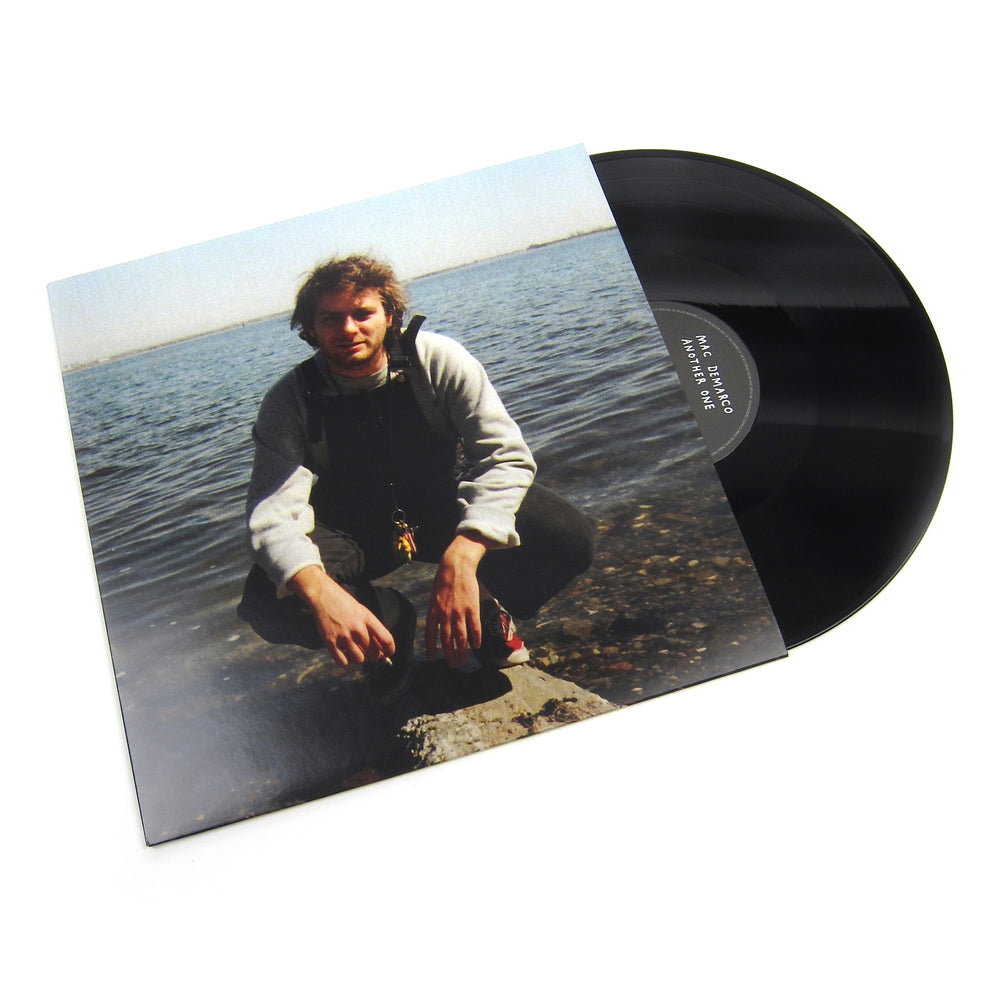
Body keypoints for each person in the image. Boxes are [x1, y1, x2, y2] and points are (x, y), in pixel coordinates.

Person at [239, 254, 593, 682]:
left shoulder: (438, 360)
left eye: (362, 313)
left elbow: (506, 457)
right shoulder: (288, 401)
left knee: (567, 537)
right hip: (355, 522)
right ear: (311, 329)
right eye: (330, 318)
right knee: (267, 601)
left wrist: (464, 554)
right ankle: (389, 627)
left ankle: (486, 606)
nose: (348, 329)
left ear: (390, 315)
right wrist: (320, 592)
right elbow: (273, 515)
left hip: (445, 499)